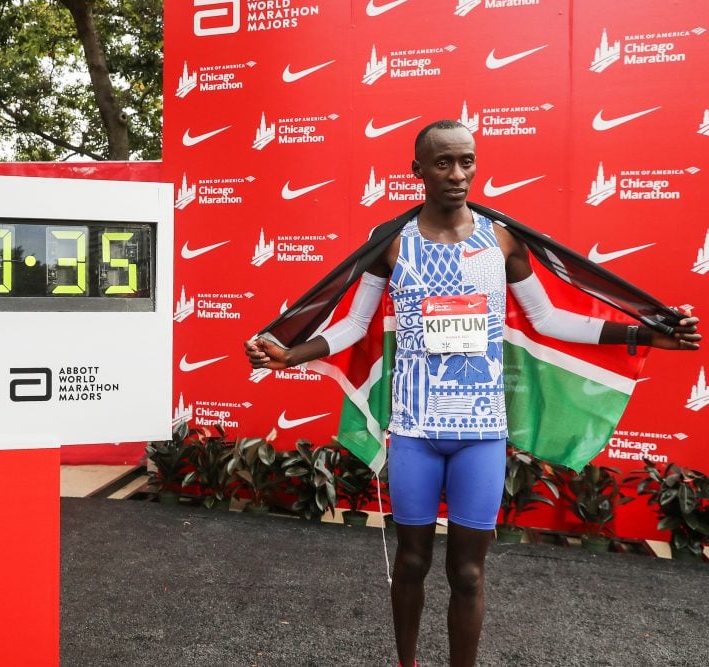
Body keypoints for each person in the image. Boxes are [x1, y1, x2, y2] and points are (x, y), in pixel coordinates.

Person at [244, 119, 701, 667]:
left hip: (481, 433)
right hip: (414, 431)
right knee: (411, 564)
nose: (457, 174)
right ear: (417, 171)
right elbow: (354, 323)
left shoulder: (501, 238)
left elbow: (547, 318)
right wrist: (291, 354)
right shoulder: (390, 242)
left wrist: (642, 333)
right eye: (442, 163)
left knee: (467, 572)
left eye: (467, 161)